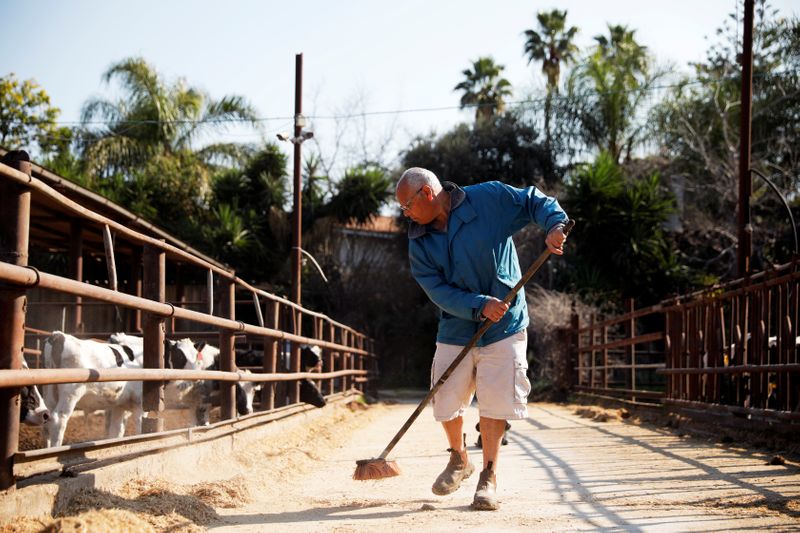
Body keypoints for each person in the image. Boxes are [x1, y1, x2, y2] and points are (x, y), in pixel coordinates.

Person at [395, 167, 568, 511]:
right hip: (457, 326)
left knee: (494, 402)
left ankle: (488, 475)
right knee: (444, 402)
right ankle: (460, 458)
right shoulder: (418, 239)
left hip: (505, 323)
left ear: (427, 194)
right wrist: (478, 305)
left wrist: (555, 225)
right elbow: (438, 290)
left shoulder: (488, 198)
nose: (406, 215)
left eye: (407, 206)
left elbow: (533, 201)